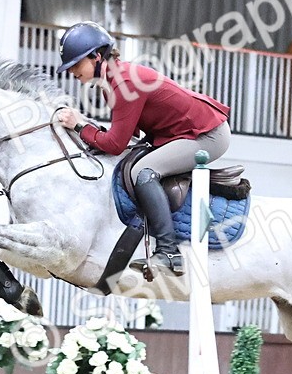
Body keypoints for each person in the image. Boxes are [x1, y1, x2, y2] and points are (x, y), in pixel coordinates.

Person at [54, 21, 231, 276]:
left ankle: (169, 252)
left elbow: (115, 145)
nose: (72, 71)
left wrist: (80, 126)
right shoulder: (112, 81)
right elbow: (125, 137)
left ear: (96, 56)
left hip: (208, 135)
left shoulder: (123, 82)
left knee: (144, 172)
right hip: (178, 133)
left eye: (76, 64)